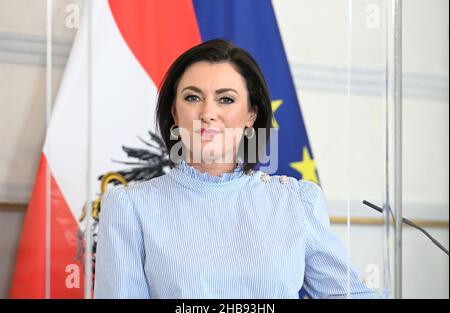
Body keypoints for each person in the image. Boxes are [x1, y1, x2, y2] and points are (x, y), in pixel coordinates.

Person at [94, 38, 379, 299]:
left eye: (226, 99)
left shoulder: (297, 201)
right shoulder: (129, 206)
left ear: (251, 115)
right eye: (192, 97)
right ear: (174, 111)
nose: (207, 113)